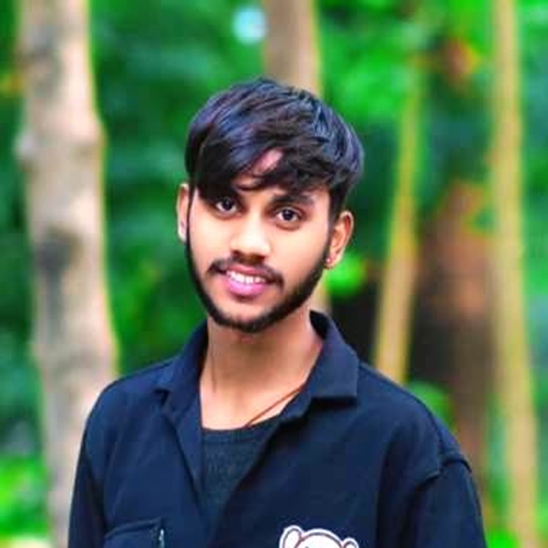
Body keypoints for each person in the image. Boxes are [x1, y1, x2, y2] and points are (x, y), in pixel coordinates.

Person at [69, 78, 487, 548]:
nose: (250, 243)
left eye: (287, 214)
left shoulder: (405, 447)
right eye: (226, 204)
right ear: (185, 212)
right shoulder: (121, 422)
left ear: (336, 240)